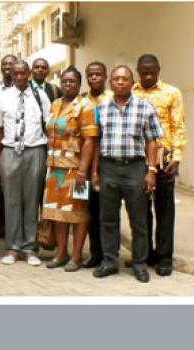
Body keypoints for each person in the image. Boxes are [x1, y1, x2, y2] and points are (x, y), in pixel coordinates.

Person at [92, 65, 163, 283]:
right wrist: (94, 171)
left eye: (125, 78)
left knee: (139, 220)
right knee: (108, 219)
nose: (120, 82)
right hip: (108, 168)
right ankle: (109, 262)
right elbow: (95, 142)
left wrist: (151, 171)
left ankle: (140, 264)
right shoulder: (101, 109)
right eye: (116, 79)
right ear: (110, 83)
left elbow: (152, 140)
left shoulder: (145, 107)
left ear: (132, 82)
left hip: (135, 168)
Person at [132, 54, 186, 277]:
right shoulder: (131, 93)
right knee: (140, 210)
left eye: (151, 72)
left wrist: (176, 158)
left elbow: (178, 126)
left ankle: (164, 258)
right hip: (137, 159)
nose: (147, 76)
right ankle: (145, 255)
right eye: (143, 72)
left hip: (164, 158)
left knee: (164, 209)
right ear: (137, 71)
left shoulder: (172, 93)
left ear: (158, 70)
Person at [41, 66, 99, 272]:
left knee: (79, 214)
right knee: (57, 213)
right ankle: (61, 253)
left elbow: (90, 141)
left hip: (76, 170)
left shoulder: (86, 106)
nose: (67, 84)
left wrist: (84, 171)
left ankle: (76, 256)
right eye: (64, 81)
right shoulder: (55, 104)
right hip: (55, 168)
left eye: (72, 81)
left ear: (79, 84)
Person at [0, 60, 50, 266]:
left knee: (31, 199)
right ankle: (12, 248)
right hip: (9, 151)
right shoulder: (2, 97)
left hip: (35, 151)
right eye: (15, 73)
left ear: (28, 73)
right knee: (11, 201)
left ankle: (30, 248)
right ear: (11, 74)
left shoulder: (40, 95)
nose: (19, 77)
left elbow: (47, 125)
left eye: (22, 73)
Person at [81, 61, 113, 269]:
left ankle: (110, 255)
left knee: (107, 212)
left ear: (105, 77)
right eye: (90, 75)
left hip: (107, 163)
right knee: (89, 210)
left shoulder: (112, 99)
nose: (94, 78)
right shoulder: (82, 100)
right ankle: (95, 254)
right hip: (84, 163)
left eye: (98, 74)